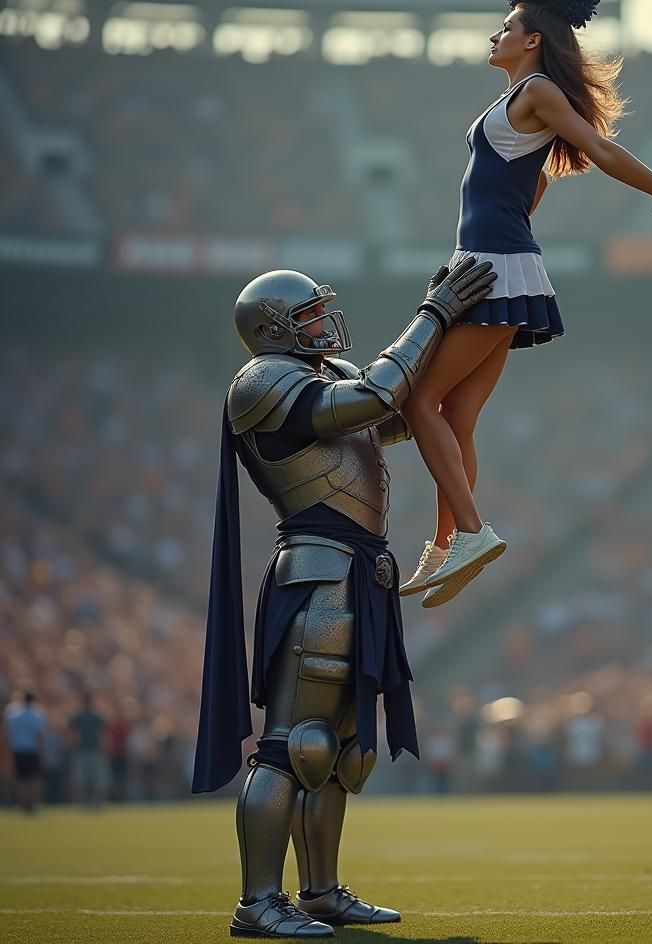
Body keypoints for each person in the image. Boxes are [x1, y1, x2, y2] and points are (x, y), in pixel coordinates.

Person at [399, 0, 652, 608]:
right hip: (498, 263)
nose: (492, 37)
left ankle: (468, 532)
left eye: (503, 28)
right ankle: (448, 547)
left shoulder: (535, 92)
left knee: (420, 404)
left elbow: (601, 150)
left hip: (490, 266)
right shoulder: (518, 100)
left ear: (531, 40)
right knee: (457, 415)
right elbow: (531, 188)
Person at [192, 259, 495, 939]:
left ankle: (320, 891)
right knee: (293, 745)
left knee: (342, 750)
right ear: (273, 328)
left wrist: (476, 342)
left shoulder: (322, 380)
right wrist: (435, 312)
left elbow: (407, 410)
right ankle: (258, 903)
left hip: (361, 572)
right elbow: (383, 394)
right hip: (317, 573)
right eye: (307, 315)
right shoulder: (261, 381)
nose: (323, 324)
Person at [2, 690, 47, 813]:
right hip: (32, 749)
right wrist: (42, 751)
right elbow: (39, 735)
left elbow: (6, 733)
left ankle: (23, 804)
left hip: (17, 749)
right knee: (33, 779)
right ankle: (33, 804)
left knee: (21, 779)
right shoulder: (37, 713)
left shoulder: (13, 713)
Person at [69, 691, 110, 807]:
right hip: (95, 749)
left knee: (81, 779)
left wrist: (72, 746)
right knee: (98, 779)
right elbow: (103, 735)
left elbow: (71, 734)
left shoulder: (77, 716)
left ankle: (82, 803)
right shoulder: (97, 716)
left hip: (81, 749)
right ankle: (98, 803)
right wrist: (106, 749)